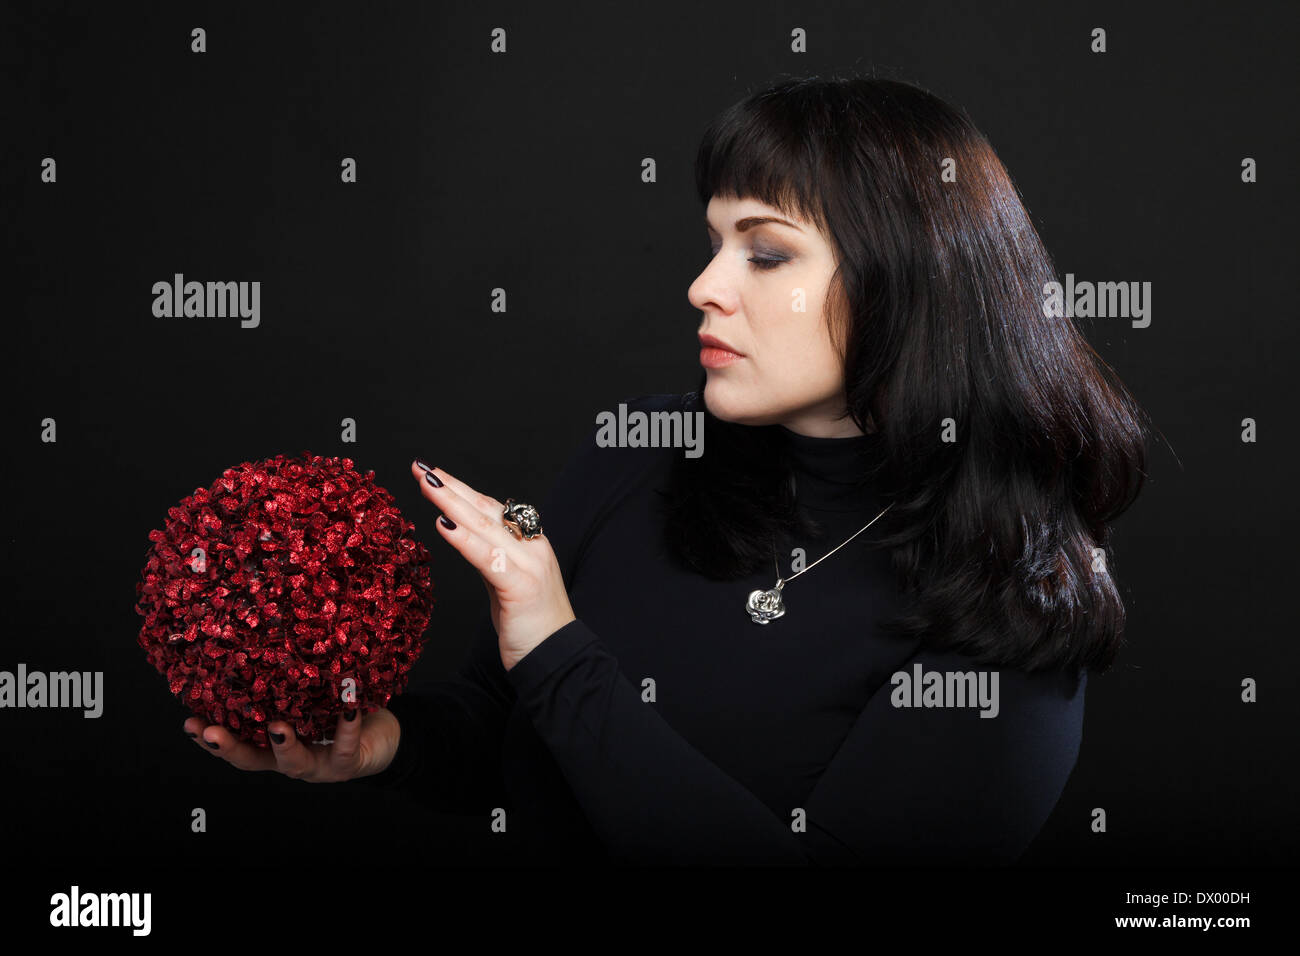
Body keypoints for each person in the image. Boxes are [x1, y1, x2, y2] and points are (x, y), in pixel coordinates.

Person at [183, 73, 1149, 865]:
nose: (703, 286)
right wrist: (383, 746)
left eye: (765, 253)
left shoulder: (1013, 597)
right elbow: (502, 727)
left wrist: (558, 647)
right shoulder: (644, 447)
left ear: (912, 281)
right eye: (714, 242)